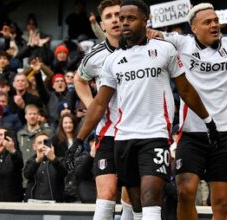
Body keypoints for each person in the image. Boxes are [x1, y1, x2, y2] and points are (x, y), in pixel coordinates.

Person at [67, 1, 218, 219]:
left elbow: (185, 90)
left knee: (150, 199)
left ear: (146, 20)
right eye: (122, 18)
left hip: (155, 136)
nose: (124, 22)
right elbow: (100, 103)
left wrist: (208, 120)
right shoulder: (112, 60)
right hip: (123, 139)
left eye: (131, 18)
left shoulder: (165, 49)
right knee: (136, 204)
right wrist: (79, 140)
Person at [148, 0, 227, 219]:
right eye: (207, 22)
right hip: (191, 133)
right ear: (194, 28)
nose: (214, 25)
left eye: (216, 20)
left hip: (225, 134)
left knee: (221, 202)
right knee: (185, 192)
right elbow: (147, 32)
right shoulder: (181, 43)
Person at [73, 0, 133, 219]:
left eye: (119, 14)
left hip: (136, 131)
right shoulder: (95, 55)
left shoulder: (143, 47)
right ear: (101, 25)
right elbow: (79, 79)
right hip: (107, 132)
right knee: (106, 195)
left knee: (130, 196)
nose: (115, 20)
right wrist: (92, 107)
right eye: (109, 16)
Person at [23, 132, 66, 202]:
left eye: (45, 142)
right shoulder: (31, 161)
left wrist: (53, 159)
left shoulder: (59, 160)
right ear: (34, 147)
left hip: (54, 202)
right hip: (33, 201)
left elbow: (63, 173)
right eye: (40, 143)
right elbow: (27, 175)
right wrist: (37, 160)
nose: (43, 145)